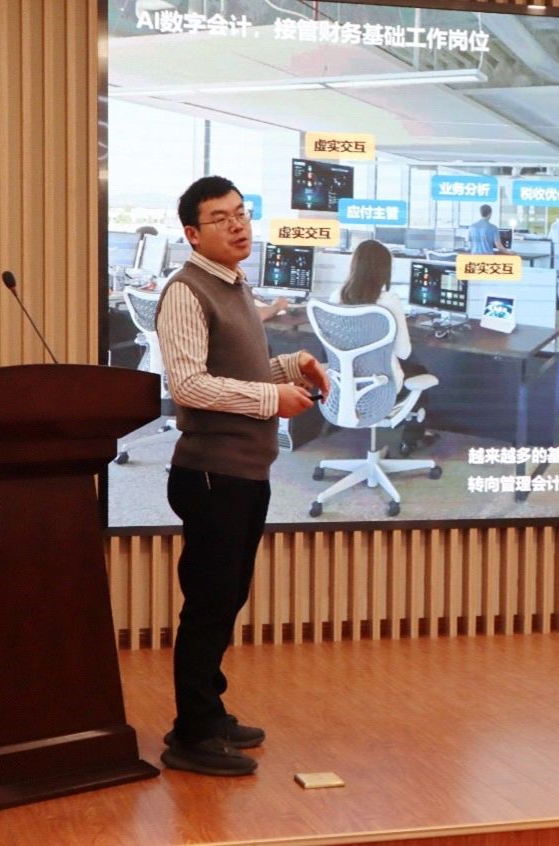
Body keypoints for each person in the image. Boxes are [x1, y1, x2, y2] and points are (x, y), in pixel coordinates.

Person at [155, 175, 330, 777]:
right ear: (192, 233)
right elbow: (189, 386)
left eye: (241, 213)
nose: (237, 225)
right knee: (209, 603)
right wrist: (272, 399)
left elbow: (239, 369)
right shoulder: (187, 291)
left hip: (244, 471)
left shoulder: (234, 284)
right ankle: (192, 732)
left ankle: (209, 710)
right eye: (220, 218)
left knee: (228, 597)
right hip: (212, 472)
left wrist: (291, 364)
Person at [333, 239, 434, 451]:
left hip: (346, 384)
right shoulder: (388, 301)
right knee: (420, 370)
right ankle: (411, 440)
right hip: (382, 385)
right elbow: (404, 352)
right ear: (384, 271)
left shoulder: (336, 297)